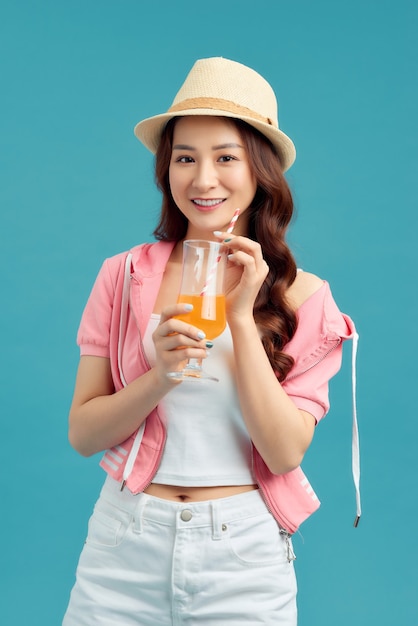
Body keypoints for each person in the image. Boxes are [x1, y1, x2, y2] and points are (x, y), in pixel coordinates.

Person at [63, 57, 359, 625]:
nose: (203, 180)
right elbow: (83, 433)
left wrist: (242, 318)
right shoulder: (122, 276)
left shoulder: (307, 296)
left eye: (226, 157)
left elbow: (284, 451)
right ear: (165, 170)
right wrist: (160, 377)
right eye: (184, 158)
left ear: (260, 171)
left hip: (243, 558)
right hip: (123, 545)